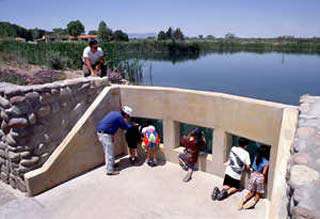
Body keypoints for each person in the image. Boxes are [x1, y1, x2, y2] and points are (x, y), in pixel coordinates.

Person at [96, 106, 132, 175]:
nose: (127, 118)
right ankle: (110, 171)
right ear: (125, 114)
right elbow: (125, 127)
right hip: (105, 134)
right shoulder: (120, 118)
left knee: (108, 151)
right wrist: (133, 125)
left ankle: (111, 164)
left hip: (101, 132)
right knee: (109, 152)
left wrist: (111, 135)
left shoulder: (114, 113)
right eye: (128, 116)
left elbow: (110, 124)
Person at [238, 145, 269, 210]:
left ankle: (243, 201)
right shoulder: (266, 162)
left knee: (251, 192)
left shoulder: (256, 158)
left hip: (253, 175)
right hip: (260, 177)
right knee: (257, 194)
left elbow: (253, 168)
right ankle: (252, 204)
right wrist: (265, 180)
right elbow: (264, 173)